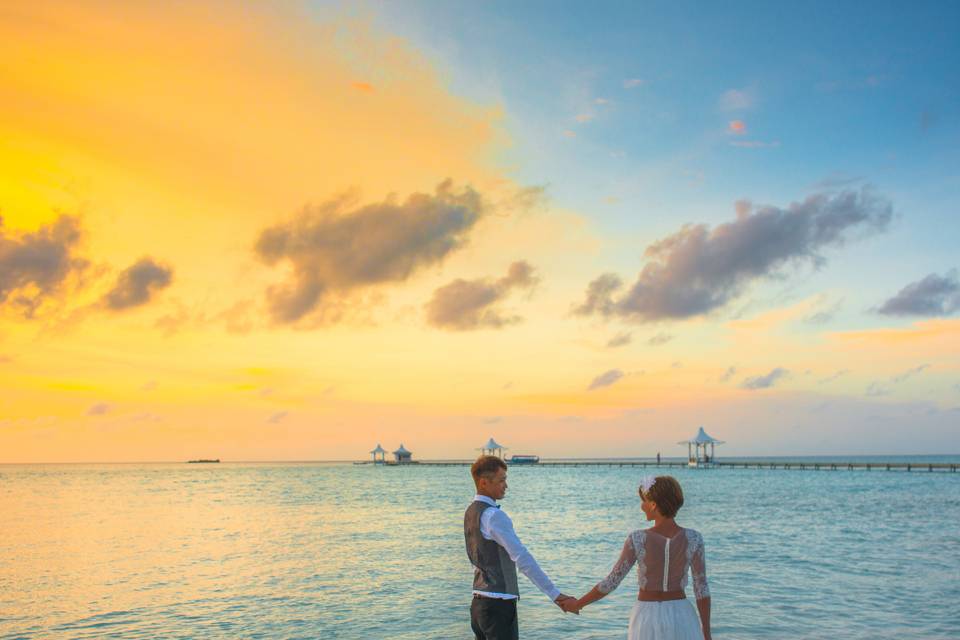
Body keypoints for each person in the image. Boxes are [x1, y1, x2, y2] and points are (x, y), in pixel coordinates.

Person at [568, 475, 711, 640]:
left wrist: (578, 604)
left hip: (646, 616)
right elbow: (701, 589)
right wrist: (706, 632)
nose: (642, 506)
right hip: (682, 615)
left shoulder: (637, 539)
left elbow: (612, 581)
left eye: (643, 501)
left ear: (653, 505)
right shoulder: (694, 538)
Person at [465, 455, 577, 639]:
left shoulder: (470, 512)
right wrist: (555, 595)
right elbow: (522, 558)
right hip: (498, 607)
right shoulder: (494, 516)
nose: (506, 486)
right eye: (502, 480)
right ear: (484, 483)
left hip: (478, 606)